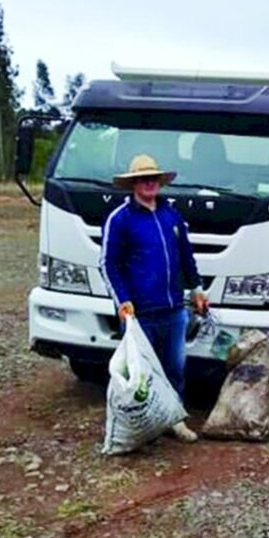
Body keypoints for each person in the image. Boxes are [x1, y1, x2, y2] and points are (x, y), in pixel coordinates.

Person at [101, 153, 209, 443]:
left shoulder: (171, 215)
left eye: (153, 178)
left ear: (159, 182)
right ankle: (143, 425)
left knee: (175, 368)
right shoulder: (120, 220)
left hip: (174, 309)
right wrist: (122, 300)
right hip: (139, 314)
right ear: (134, 184)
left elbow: (186, 256)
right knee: (140, 372)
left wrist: (197, 289)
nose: (149, 183)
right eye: (143, 179)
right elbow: (109, 264)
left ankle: (175, 419)